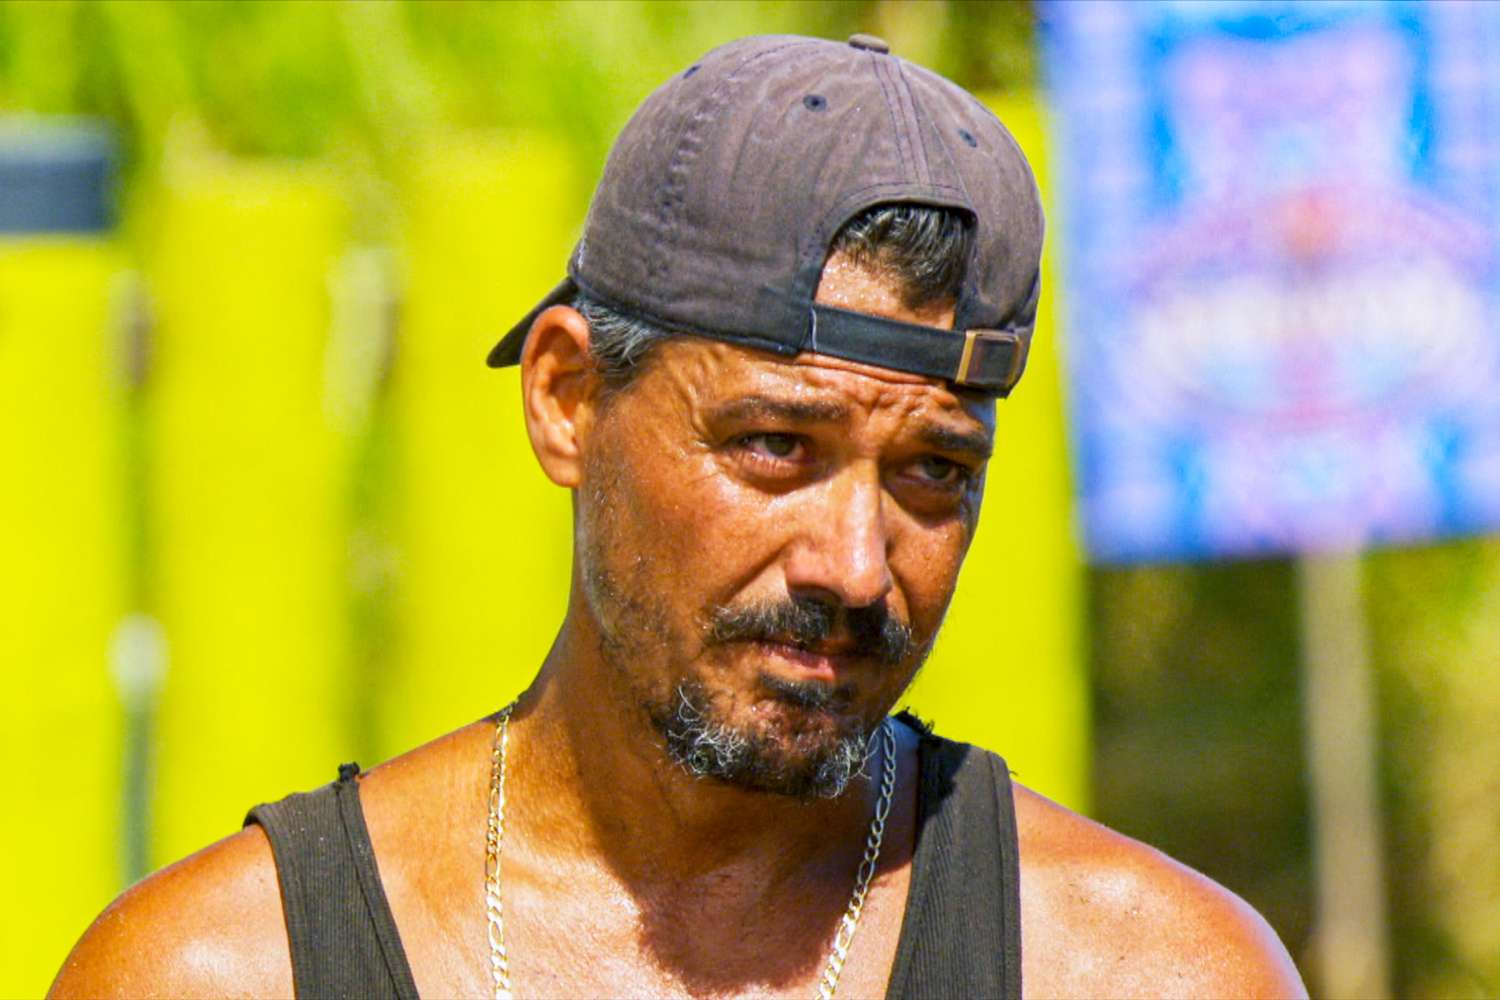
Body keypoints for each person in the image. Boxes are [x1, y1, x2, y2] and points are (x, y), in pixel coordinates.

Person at [51, 34, 1307, 999]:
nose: (855, 565)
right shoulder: (229, 971)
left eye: (932, 471)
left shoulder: (1138, 972)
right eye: (775, 446)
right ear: (567, 398)